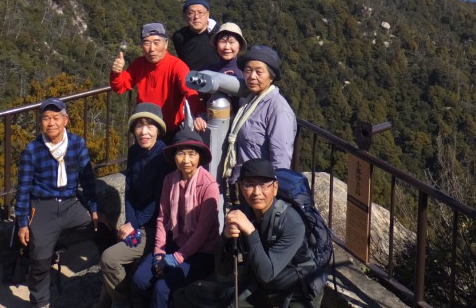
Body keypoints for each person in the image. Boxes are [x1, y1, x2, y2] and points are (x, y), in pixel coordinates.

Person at [15, 97, 100, 308]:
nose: (51, 123)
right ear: (40, 122)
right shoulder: (32, 150)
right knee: (39, 261)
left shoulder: (77, 144)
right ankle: (40, 301)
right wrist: (23, 223)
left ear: (65, 120)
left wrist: (94, 209)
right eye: (46, 118)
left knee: (104, 231)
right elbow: (23, 189)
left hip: (71, 203)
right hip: (43, 206)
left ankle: (106, 277)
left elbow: (87, 180)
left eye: (56, 117)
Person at [132, 128, 221, 308]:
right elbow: (162, 219)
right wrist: (159, 253)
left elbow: (202, 233)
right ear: (174, 157)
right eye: (181, 153)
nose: (186, 160)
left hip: (202, 252)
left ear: (199, 157)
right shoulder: (170, 180)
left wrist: (175, 259)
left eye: (191, 154)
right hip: (176, 241)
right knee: (139, 279)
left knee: (162, 287)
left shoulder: (209, 186)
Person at [98, 103, 172, 308]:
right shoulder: (134, 152)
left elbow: (159, 200)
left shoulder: (164, 157)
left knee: (109, 258)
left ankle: (122, 303)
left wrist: (136, 224)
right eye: (139, 126)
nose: (144, 131)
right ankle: (107, 302)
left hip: (155, 226)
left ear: (159, 129)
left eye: (150, 126)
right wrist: (130, 221)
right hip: (138, 222)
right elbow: (129, 190)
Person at [223, 159, 324, 307]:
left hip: (297, 291)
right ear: (241, 187)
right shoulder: (242, 213)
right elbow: (223, 269)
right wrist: (225, 237)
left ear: (275, 187)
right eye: (249, 184)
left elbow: (267, 274)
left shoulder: (292, 222)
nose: (257, 192)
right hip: (261, 287)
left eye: (264, 185)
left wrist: (250, 232)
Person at [221, 46, 297, 184]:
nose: (252, 76)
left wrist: (275, 190)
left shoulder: (278, 109)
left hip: (260, 186)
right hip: (245, 181)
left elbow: (281, 158)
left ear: (271, 76)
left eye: (259, 72)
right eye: (248, 70)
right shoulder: (250, 100)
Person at [110, 22, 204, 133]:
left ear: (166, 44)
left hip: (169, 129)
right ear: (141, 45)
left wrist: (198, 114)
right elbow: (119, 86)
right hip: (145, 128)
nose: (151, 49)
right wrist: (116, 73)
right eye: (147, 43)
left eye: (156, 42)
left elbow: (190, 91)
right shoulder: (138, 64)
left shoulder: (177, 66)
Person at [185, 21, 248, 183]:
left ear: (239, 46)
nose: (227, 46)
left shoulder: (245, 70)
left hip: (238, 130)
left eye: (232, 42)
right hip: (213, 126)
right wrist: (199, 115)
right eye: (223, 41)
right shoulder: (210, 68)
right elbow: (202, 98)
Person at [172, 0, 220, 73]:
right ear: (184, 16)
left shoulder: (218, 35)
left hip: (218, 80)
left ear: (207, 15)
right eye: (191, 13)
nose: (196, 17)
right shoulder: (180, 37)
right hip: (191, 81)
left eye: (200, 13)